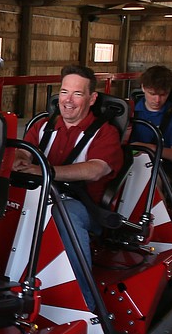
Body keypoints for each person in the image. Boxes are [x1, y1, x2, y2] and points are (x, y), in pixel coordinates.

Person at [13, 65, 124, 270]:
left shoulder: (105, 133)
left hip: (81, 206)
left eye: (77, 94)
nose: (68, 100)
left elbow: (95, 169)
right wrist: (19, 158)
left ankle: (84, 298)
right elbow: (24, 151)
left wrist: (46, 171)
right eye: (64, 92)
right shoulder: (43, 126)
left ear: (92, 99)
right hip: (37, 197)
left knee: (64, 216)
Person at [125, 65, 172, 166]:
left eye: (163, 95)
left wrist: (146, 147)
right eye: (152, 94)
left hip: (160, 166)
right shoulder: (129, 110)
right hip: (129, 162)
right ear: (143, 87)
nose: (157, 100)